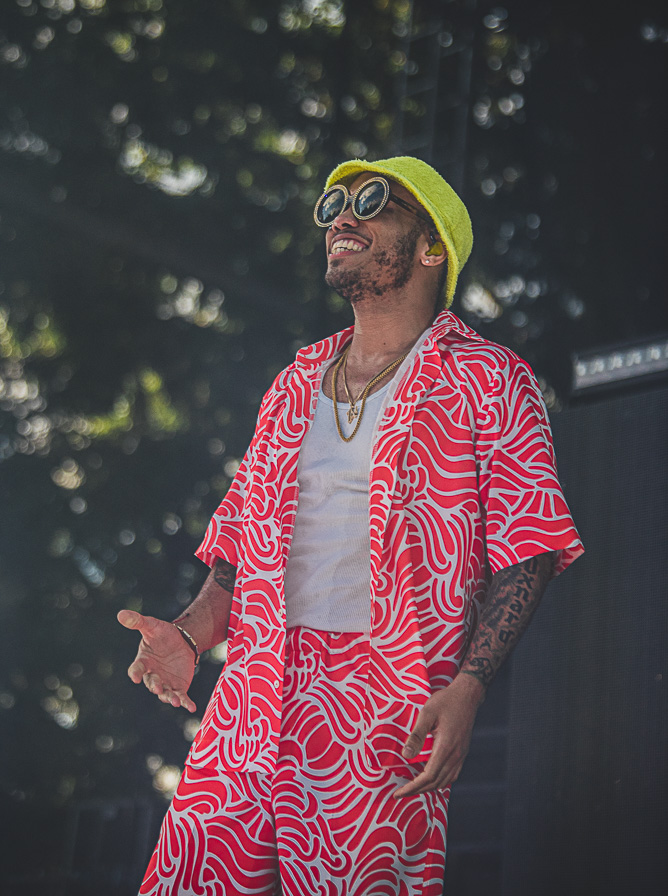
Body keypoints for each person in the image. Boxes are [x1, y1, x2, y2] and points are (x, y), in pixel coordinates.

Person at [118, 156, 584, 895]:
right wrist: (188, 633)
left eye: (372, 202)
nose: (342, 217)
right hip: (255, 690)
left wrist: (469, 685)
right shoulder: (292, 383)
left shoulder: (490, 379)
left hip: (382, 703)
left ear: (431, 248)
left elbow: (529, 548)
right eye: (333, 203)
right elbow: (237, 555)